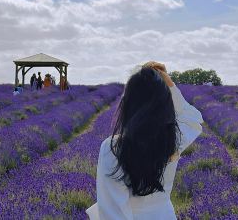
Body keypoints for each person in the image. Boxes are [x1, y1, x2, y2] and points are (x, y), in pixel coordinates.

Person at [86, 61, 204, 219]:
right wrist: (169, 85)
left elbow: (113, 213)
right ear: (165, 104)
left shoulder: (113, 148)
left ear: (128, 103)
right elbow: (193, 118)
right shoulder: (172, 139)